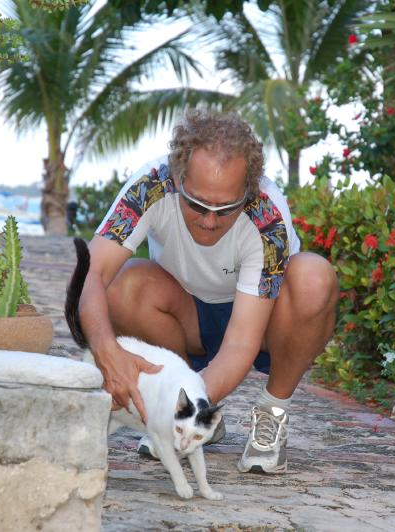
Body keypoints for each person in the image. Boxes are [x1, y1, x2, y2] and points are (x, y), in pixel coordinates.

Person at [68, 109, 338, 474]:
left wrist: (183, 404)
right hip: (187, 314)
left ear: (249, 190)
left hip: (264, 322)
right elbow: (92, 274)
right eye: (197, 204)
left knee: (313, 278)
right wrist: (105, 350)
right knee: (124, 286)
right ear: (177, 177)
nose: (209, 221)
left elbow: (242, 342)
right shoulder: (150, 185)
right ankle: (194, 413)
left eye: (225, 209)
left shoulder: (266, 213)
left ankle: (271, 412)